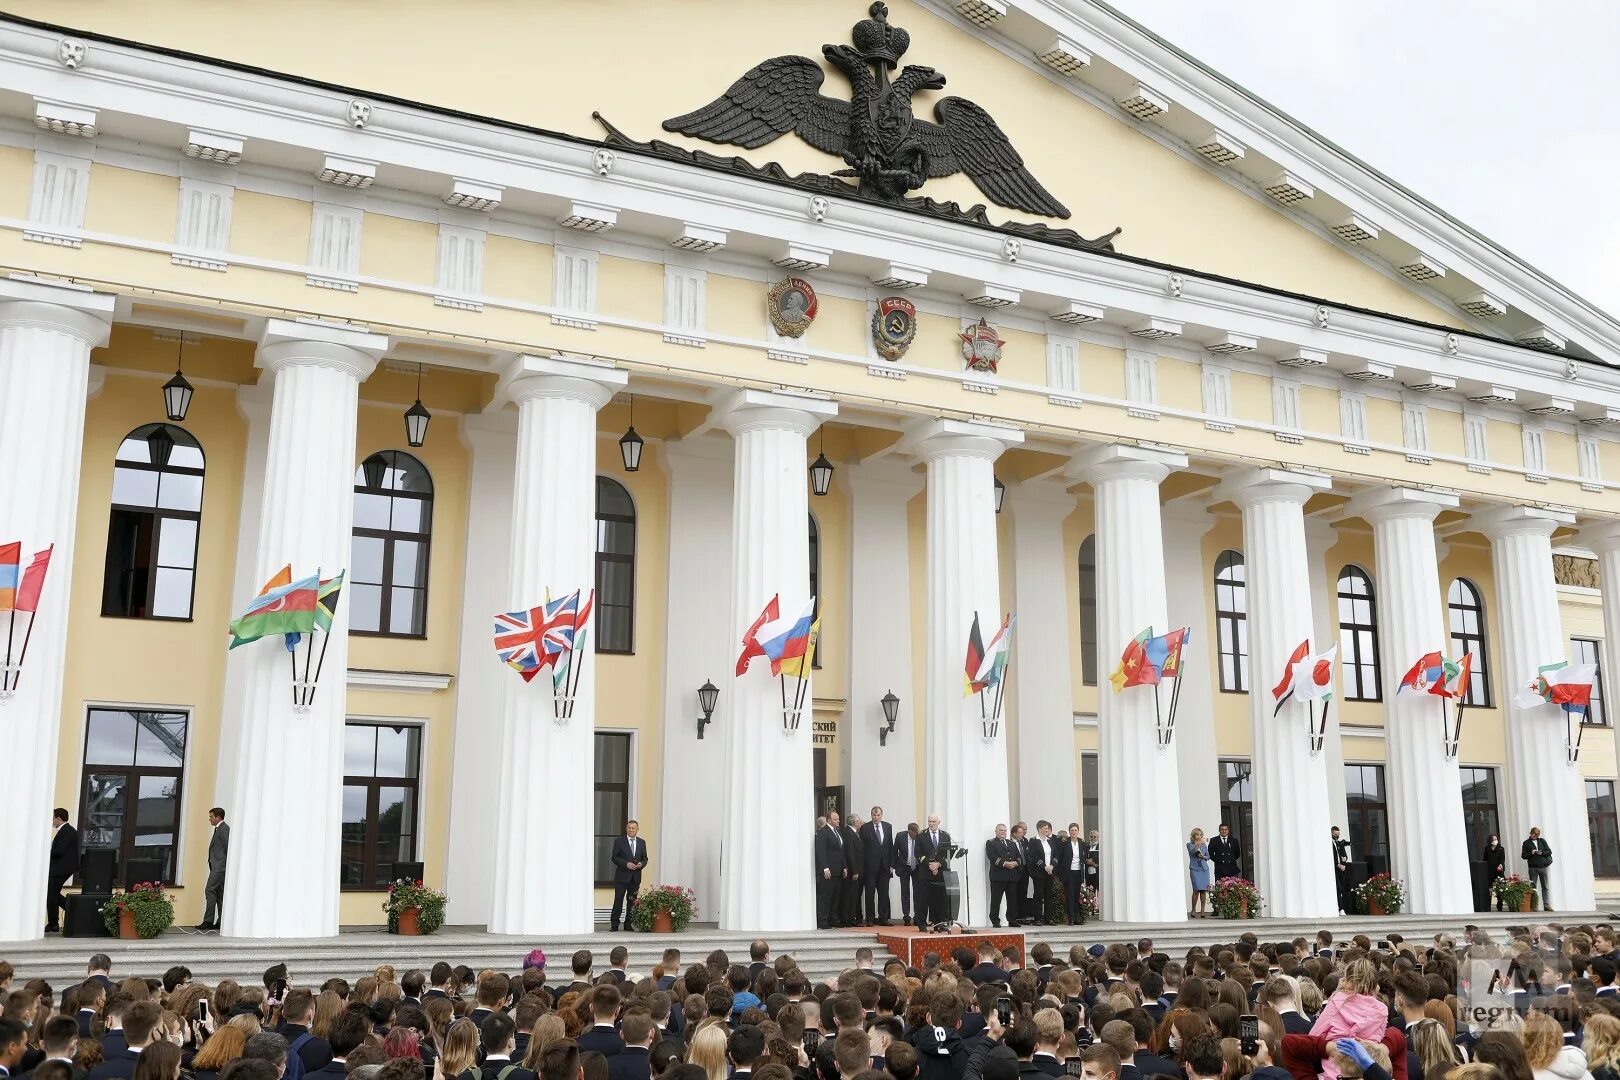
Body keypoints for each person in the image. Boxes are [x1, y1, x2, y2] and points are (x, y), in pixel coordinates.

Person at [915, 814, 952, 931]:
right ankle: (922, 923)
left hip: (940, 872)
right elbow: (918, 854)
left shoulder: (945, 836)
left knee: (940, 898)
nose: (931, 824)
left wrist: (938, 864)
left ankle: (939, 922)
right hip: (925, 872)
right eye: (929, 821)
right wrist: (930, 865)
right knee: (923, 898)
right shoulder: (921, 836)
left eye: (934, 822)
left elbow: (948, 855)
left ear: (938, 822)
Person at [859, 807, 894, 927]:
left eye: (878, 815)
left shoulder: (888, 827)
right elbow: (861, 849)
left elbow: (890, 846)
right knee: (870, 893)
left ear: (882, 815)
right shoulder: (865, 828)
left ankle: (883, 918)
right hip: (870, 867)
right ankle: (870, 918)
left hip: (884, 866)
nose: (876, 818)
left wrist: (891, 865)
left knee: (884, 893)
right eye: (874, 815)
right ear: (871, 815)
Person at [610, 820, 647, 933]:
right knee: (618, 900)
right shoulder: (619, 841)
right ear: (626, 829)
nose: (631, 830)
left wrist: (641, 864)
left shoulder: (642, 842)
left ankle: (628, 924)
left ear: (637, 829)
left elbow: (645, 858)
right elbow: (614, 857)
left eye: (633, 828)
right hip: (622, 877)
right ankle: (615, 924)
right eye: (629, 828)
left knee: (632, 902)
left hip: (635, 878)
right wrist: (626, 864)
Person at [47, 809, 79, 935]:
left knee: (51, 894)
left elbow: (60, 851)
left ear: (59, 818)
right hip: (61, 868)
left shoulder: (66, 831)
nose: (53, 821)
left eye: (53, 818)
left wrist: (46, 853)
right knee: (52, 894)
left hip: (61, 868)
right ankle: (70, 912)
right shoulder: (66, 831)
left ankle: (54, 923)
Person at [815, 812, 848, 931]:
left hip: (838, 869)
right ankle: (823, 920)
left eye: (838, 819)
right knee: (826, 896)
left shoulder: (838, 832)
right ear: (829, 820)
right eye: (836, 819)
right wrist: (825, 868)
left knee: (836, 896)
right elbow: (821, 852)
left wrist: (844, 867)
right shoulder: (823, 832)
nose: (839, 821)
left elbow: (841, 851)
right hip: (828, 870)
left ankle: (833, 919)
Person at [986, 825, 1022, 929]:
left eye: (1004, 830)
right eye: (1001, 830)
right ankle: (995, 921)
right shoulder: (991, 843)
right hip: (998, 877)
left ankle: (1012, 920)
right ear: (996, 831)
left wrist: (1015, 863)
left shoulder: (1011, 843)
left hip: (1012, 876)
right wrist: (1005, 863)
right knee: (996, 900)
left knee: (1012, 900)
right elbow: (992, 857)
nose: (1003, 832)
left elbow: (1019, 857)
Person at [200, 808, 229, 932]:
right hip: (218, 867)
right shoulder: (219, 828)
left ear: (218, 817)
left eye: (211, 816)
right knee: (219, 894)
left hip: (219, 867)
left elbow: (228, 847)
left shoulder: (224, 829)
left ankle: (208, 921)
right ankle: (221, 921)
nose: (209, 819)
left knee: (210, 890)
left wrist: (224, 865)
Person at [1025, 822, 1058, 927]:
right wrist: (1044, 866)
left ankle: (1048, 918)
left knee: (1049, 895)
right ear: (1039, 829)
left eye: (1048, 828)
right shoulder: (1033, 841)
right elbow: (1033, 856)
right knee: (1038, 895)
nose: (1047, 830)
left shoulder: (1051, 841)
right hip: (1039, 872)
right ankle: (1038, 918)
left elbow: (1056, 855)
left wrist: (1052, 865)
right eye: (1045, 828)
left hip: (1050, 872)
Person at [1058, 824, 1087, 925]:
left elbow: (1085, 856)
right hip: (1068, 872)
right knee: (1070, 895)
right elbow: (1060, 857)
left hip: (1078, 872)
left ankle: (1077, 918)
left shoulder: (1081, 842)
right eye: (1071, 830)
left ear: (1078, 831)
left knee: (1076, 896)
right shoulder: (1065, 842)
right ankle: (1070, 918)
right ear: (1069, 831)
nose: (1073, 832)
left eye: (1075, 830)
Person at [840, 813, 866, 928]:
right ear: (855, 822)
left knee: (854, 896)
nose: (861, 822)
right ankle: (847, 919)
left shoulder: (854, 833)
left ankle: (851, 917)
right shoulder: (849, 833)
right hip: (852, 872)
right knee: (850, 895)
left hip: (857, 870)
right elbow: (850, 854)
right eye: (859, 821)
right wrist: (854, 871)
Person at [893, 824, 919, 927]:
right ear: (909, 831)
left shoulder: (919, 836)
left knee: (917, 893)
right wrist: (894, 866)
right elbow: (894, 852)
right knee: (905, 893)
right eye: (914, 833)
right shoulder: (900, 836)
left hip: (917, 868)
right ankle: (907, 917)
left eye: (917, 833)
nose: (916, 835)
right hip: (904, 868)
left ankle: (917, 917)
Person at [1521, 828, 1553, 911]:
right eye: (1534, 835)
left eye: (1537, 835)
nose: (1535, 836)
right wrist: (1531, 853)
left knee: (1545, 886)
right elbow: (1523, 856)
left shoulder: (1542, 841)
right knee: (1533, 887)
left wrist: (1541, 852)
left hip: (1543, 866)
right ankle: (1533, 906)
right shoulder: (1526, 843)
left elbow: (1549, 852)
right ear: (1531, 833)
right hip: (1533, 868)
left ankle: (1546, 905)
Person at [1187, 829, 1212, 918]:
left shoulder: (1204, 845)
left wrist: (1203, 856)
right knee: (1196, 890)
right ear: (1193, 836)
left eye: (1200, 835)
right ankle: (1193, 909)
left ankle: (1202, 910)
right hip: (1195, 869)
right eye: (1197, 835)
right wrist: (1197, 844)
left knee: (1203, 890)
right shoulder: (1190, 844)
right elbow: (1192, 851)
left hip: (1204, 869)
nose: (1199, 836)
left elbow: (1208, 856)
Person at [1483, 834, 1507, 911]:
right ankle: (1487, 905)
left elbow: (1502, 859)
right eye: (1493, 839)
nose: (1495, 841)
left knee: (1500, 888)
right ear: (1490, 841)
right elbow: (1485, 859)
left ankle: (1499, 905)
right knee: (1489, 887)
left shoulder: (1501, 848)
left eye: (1496, 839)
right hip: (1490, 871)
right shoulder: (1487, 848)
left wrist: (1501, 865)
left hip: (1498, 870)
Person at [1331, 827, 1352, 915]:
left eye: (1338, 835)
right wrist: (1337, 864)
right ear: (1332, 833)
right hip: (1334, 870)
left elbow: (1344, 855)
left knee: (1343, 888)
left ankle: (1342, 907)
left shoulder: (1339, 843)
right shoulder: (1330, 843)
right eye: (1335, 835)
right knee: (1338, 888)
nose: (1337, 836)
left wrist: (1344, 859)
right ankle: (1341, 908)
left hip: (1341, 870)